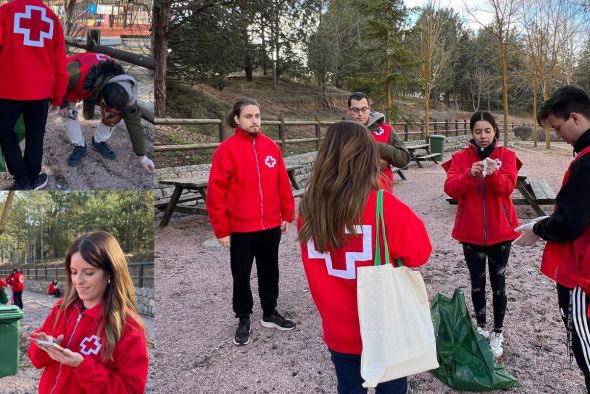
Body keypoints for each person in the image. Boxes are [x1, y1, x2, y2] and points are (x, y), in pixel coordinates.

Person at [298, 120, 431, 393]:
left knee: (348, 388)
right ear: (367, 157)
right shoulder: (385, 205)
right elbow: (420, 253)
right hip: (383, 327)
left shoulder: (308, 208)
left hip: (336, 328)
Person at [514, 85, 590, 390]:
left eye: (557, 127)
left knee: (587, 353)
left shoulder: (586, 162)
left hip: (582, 276)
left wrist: (538, 228)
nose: (557, 135)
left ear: (575, 117)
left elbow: (568, 224)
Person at [206, 98, 296, 346]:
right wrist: (222, 230)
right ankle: (243, 317)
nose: (255, 120)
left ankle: (270, 312)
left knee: (270, 271)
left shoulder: (271, 147)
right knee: (241, 275)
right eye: (249, 116)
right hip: (241, 228)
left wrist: (287, 214)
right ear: (236, 119)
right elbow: (216, 194)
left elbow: (282, 183)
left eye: (257, 115)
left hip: (270, 226)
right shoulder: (226, 151)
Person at [28, 231, 149, 393]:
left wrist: (82, 367)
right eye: (73, 272)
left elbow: (132, 389)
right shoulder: (61, 309)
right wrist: (43, 347)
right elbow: (35, 360)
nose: (78, 281)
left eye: (89, 272)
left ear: (110, 273)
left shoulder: (127, 326)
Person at [442, 111, 520, 358]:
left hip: (501, 233)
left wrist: (494, 173)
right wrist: (469, 175)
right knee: (476, 283)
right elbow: (451, 190)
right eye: (478, 131)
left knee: (498, 283)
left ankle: (498, 331)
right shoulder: (460, 157)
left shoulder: (506, 156)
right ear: (471, 133)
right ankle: (481, 327)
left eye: (487, 131)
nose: (483, 136)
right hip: (470, 234)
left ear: (495, 131)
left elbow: (509, 187)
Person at [0, 0, 69, 190]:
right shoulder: (52, 18)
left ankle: (22, 179)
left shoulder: (6, 12)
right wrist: (58, 96)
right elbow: (60, 63)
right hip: (41, 92)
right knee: (35, 134)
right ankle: (33, 178)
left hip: (9, 89)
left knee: (4, 133)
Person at [59, 52, 154, 172]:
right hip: (71, 82)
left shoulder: (128, 95)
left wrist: (142, 157)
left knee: (114, 117)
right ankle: (79, 145)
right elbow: (58, 79)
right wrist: (62, 104)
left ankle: (98, 141)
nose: (111, 112)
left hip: (98, 83)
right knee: (67, 114)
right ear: (102, 99)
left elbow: (134, 123)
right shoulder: (74, 72)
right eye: (110, 109)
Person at [347, 92, 410, 191]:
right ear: (348, 111)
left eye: (364, 109)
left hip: (381, 192)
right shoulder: (341, 132)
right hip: (351, 193)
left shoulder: (386, 130)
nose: (360, 114)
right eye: (355, 110)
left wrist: (375, 146)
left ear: (369, 109)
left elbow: (404, 159)